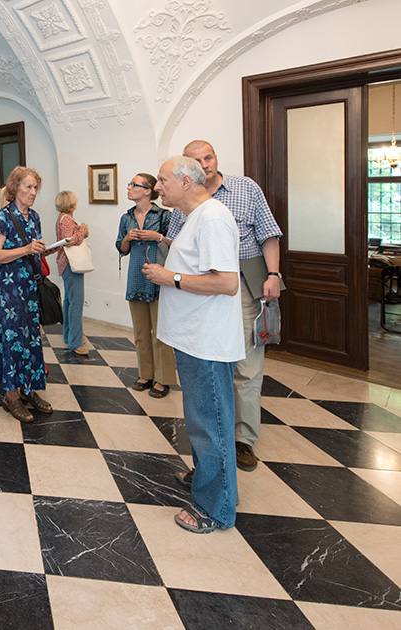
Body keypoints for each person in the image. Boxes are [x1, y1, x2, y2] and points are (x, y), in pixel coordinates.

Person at [165, 140, 283, 471]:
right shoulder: (184, 199)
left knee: (246, 363)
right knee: (212, 362)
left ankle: (242, 439)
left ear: (216, 158)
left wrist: (273, 274)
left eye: (209, 157)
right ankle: (218, 435)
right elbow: (176, 241)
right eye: (196, 160)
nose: (204, 164)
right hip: (202, 283)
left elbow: (268, 234)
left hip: (244, 278)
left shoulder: (246, 189)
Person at [142, 156, 243, 534]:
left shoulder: (212, 218)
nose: (157, 188)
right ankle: (210, 479)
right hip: (194, 338)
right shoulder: (194, 216)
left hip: (207, 341)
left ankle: (214, 508)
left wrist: (170, 277)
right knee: (203, 420)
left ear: (186, 181)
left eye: (163, 180)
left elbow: (226, 283)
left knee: (209, 424)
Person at [0, 166, 56, 423]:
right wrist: (26, 249)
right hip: (11, 290)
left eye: (36, 187)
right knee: (12, 339)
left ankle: (29, 390)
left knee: (31, 339)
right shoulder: (3, 217)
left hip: (30, 287)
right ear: (15, 188)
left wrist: (46, 250)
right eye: (28, 187)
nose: (33, 192)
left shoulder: (34, 217)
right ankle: (12, 397)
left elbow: (32, 250)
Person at [116, 173, 177, 398]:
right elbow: (121, 248)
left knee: (161, 333)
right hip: (136, 277)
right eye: (129, 184)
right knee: (141, 331)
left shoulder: (164, 216)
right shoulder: (126, 218)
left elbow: (176, 244)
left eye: (134, 184)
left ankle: (163, 378)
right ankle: (146, 374)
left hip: (160, 277)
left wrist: (157, 236)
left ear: (148, 191)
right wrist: (127, 238)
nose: (129, 187)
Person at [54, 190, 90, 356]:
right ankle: (75, 341)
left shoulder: (62, 218)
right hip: (71, 263)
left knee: (69, 300)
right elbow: (69, 241)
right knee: (76, 302)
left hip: (66, 263)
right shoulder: (67, 219)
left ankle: (70, 335)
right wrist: (82, 230)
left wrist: (81, 231)